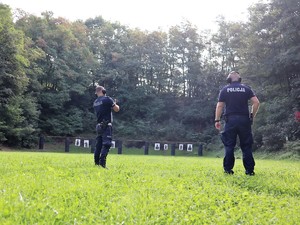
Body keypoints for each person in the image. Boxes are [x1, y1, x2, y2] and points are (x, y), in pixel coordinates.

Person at [215, 71, 260, 176]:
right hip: (244, 120)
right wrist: (252, 115)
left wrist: (217, 120)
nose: (234, 73)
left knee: (229, 145)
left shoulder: (225, 90)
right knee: (246, 146)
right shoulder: (246, 88)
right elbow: (256, 102)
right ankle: (249, 171)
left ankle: (228, 170)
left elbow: (220, 106)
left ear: (228, 79)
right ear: (239, 78)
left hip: (230, 120)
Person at [93, 85, 119, 168]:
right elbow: (116, 109)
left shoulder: (95, 102)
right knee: (107, 144)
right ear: (102, 91)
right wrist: (115, 103)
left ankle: (96, 162)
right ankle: (102, 163)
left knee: (99, 145)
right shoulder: (107, 99)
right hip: (106, 125)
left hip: (99, 126)